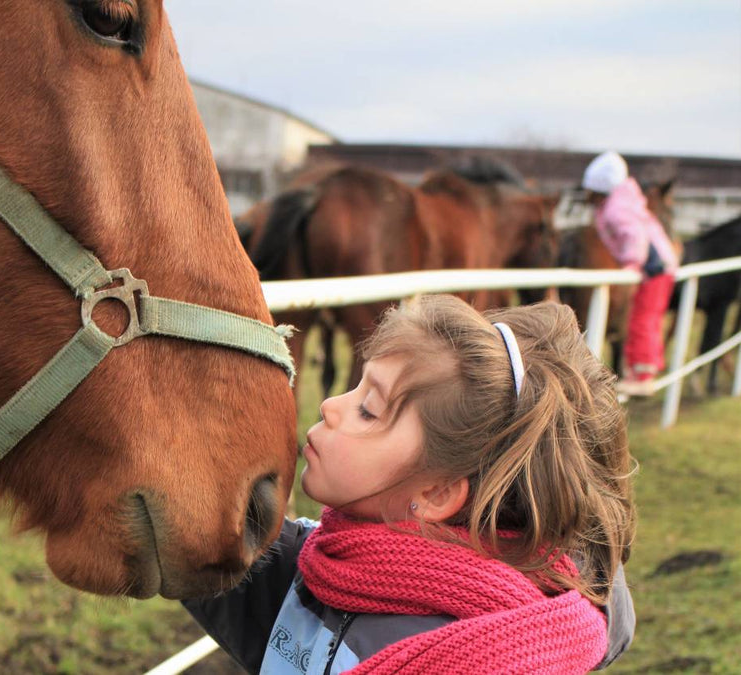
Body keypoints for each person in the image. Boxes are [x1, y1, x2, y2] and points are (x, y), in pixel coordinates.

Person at [184, 295, 637, 674]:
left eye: (369, 410)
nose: (329, 406)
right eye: (356, 387)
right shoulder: (325, 567)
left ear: (436, 494)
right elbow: (197, 525)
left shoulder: (458, 656)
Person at [582, 151, 679, 396]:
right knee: (648, 318)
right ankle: (646, 368)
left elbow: (635, 237)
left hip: (653, 269)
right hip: (659, 268)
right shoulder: (621, 201)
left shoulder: (617, 208)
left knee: (642, 320)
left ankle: (642, 377)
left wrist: (632, 264)